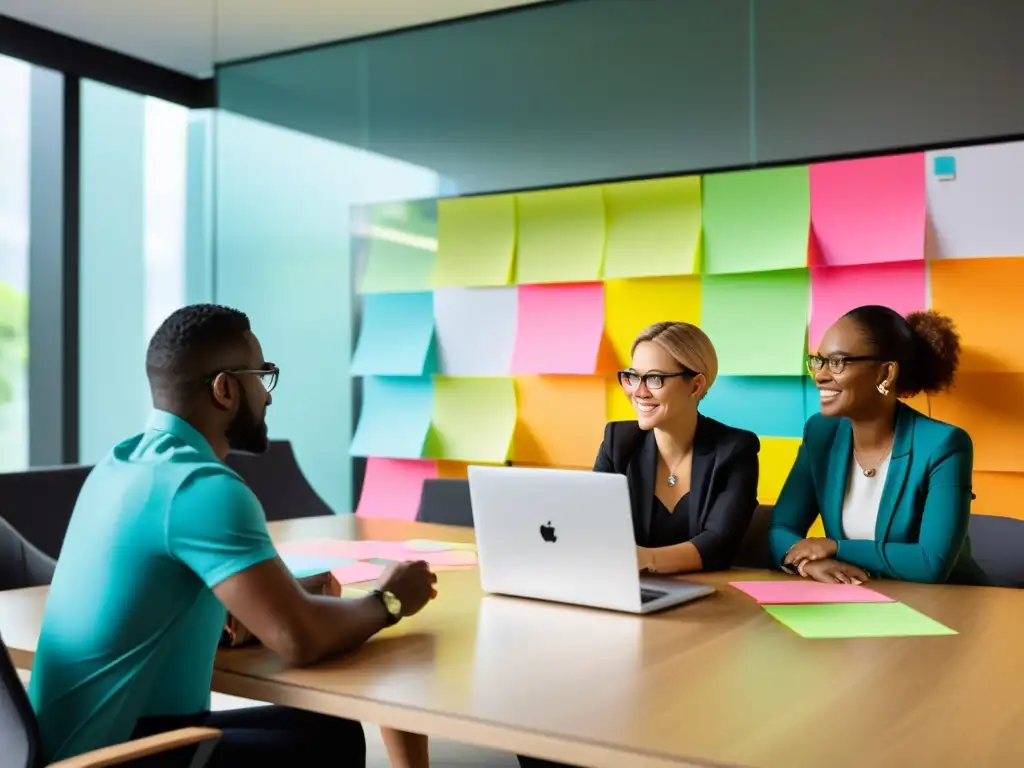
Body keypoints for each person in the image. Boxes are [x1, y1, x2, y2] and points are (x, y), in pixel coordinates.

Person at [28, 304, 438, 766]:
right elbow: (298, 639)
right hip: (114, 757)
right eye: (261, 376)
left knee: (326, 728)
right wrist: (389, 601)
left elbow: (164, 588)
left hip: (61, 746)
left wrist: (276, 599)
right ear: (225, 389)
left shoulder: (120, 466)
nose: (267, 395)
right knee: (324, 749)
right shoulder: (204, 488)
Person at [768, 305, 989, 586]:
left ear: (885, 373)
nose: (820, 375)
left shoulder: (943, 445)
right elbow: (781, 529)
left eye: (837, 362)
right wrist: (809, 565)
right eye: (818, 361)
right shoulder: (821, 433)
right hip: (859, 601)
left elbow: (931, 563)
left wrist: (835, 547)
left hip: (950, 605)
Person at [595, 321, 760, 574]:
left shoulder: (735, 450)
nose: (638, 392)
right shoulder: (618, 442)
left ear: (695, 386)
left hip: (710, 601)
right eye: (633, 376)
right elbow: (592, 525)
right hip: (628, 590)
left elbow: (718, 545)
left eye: (654, 379)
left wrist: (644, 559)